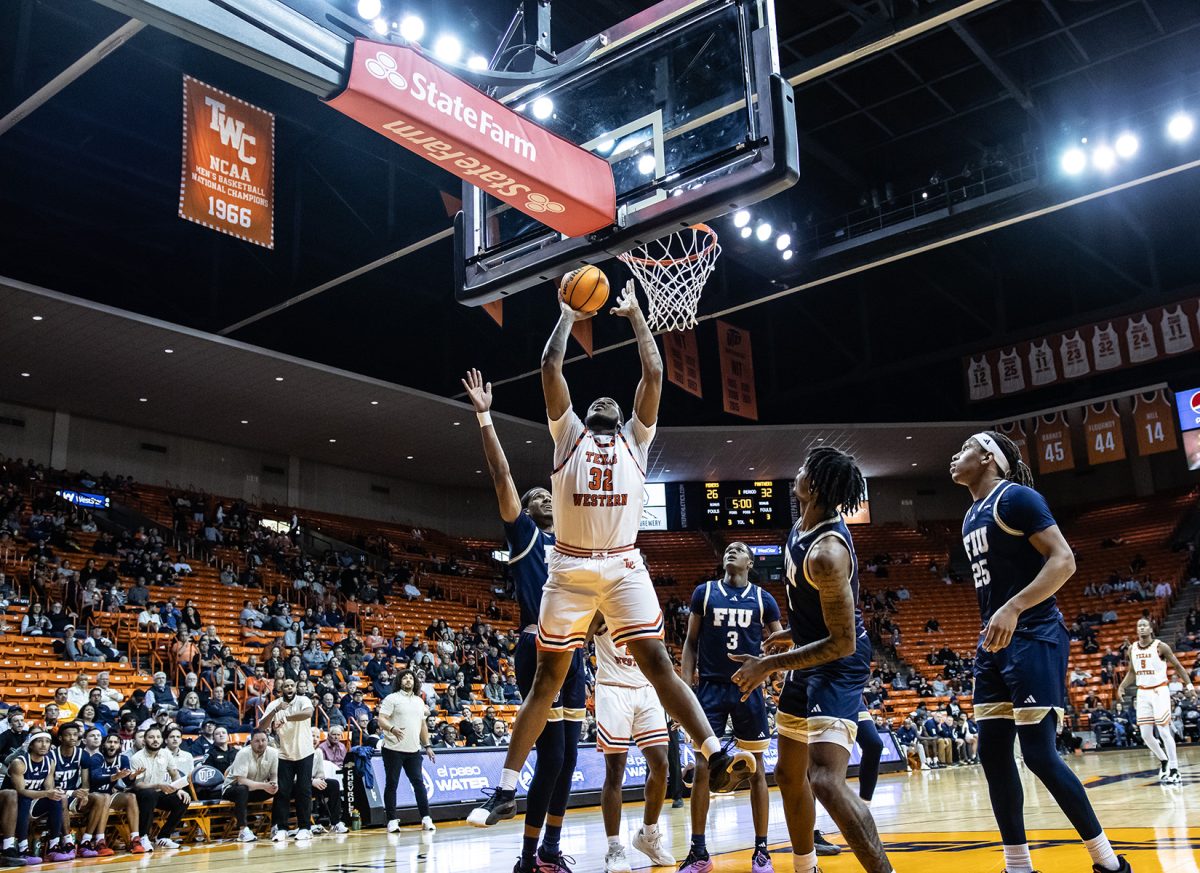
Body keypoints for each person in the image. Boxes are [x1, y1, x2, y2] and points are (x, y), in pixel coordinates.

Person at [466, 290, 751, 836]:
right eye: (595, 402)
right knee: (545, 682)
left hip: (623, 566)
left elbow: (654, 371)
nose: (602, 403)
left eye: (610, 404)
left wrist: (639, 317)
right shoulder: (567, 433)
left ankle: (714, 756)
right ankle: (504, 788)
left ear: (621, 417)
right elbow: (550, 366)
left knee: (657, 664)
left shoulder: (637, 440)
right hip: (570, 570)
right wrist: (568, 316)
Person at [950, 431, 1130, 873]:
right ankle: (1018, 866)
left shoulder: (1017, 499)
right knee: (992, 753)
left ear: (988, 457)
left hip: (1033, 633)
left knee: (1038, 754)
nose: (955, 456)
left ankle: (1108, 863)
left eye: (964, 449)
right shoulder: (971, 513)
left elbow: (1064, 560)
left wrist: (1013, 606)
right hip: (994, 640)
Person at [730, 449, 893, 873]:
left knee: (823, 779)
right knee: (788, 773)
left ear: (815, 486)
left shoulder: (827, 552)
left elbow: (840, 642)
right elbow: (815, 614)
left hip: (839, 664)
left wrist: (769, 665)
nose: (796, 473)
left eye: (803, 470)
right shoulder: (801, 525)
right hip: (809, 657)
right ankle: (807, 867)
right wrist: (787, 636)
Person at [461, 367, 588, 872]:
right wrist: (486, 419)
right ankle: (528, 856)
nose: (538, 499)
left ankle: (550, 852)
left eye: (544, 496)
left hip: (575, 651)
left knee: (570, 761)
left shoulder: (576, 546)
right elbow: (502, 479)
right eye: (533, 499)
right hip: (537, 646)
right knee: (552, 758)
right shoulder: (528, 538)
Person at [680, 541, 783, 873]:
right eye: (728, 549)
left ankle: (762, 851)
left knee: (757, 770)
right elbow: (691, 642)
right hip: (709, 687)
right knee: (701, 768)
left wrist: (766, 669)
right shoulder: (705, 592)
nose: (731, 551)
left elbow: (780, 643)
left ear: (750, 562)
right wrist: (686, 688)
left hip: (747, 690)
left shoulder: (763, 599)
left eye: (739, 549)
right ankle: (699, 852)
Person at [590, 617, 675, 873]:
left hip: (646, 688)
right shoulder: (602, 605)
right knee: (615, 771)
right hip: (613, 688)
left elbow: (658, 655)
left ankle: (648, 835)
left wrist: (671, 700)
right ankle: (614, 848)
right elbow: (581, 638)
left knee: (661, 764)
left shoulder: (648, 606)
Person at [1118, 617, 1195, 783]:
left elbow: (1178, 666)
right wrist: (1122, 686)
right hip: (1143, 693)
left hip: (1160, 691)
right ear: (1137, 630)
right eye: (1139, 626)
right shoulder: (1132, 649)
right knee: (1145, 735)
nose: (1142, 628)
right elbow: (1132, 672)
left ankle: (1175, 768)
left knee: (1163, 731)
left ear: (1151, 629)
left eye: (1145, 625)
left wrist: (1189, 686)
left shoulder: (1161, 646)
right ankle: (1164, 760)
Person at [376, 669, 436, 832]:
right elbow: (381, 719)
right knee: (392, 784)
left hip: (414, 749)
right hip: (393, 749)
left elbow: (423, 725)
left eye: (411, 678)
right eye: (405, 678)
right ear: (399, 681)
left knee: (419, 784)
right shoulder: (392, 698)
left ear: (415, 682)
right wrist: (392, 728)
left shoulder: (419, 701)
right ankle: (392, 820)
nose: (408, 680)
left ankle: (426, 818)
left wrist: (428, 746)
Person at [259, 678, 315, 842]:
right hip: (283, 753)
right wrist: (276, 710)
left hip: (304, 752)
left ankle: (305, 828)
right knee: (282, 792)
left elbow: (308, 713)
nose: (289, 688)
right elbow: (261, 726)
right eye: (286, 686)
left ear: (295, 688)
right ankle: (281, 828)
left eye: (292, 685)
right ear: (281, 689)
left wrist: (287, 717)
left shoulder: (303, 700)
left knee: (303, 791)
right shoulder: (275, 704)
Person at [8, 732, 73, 863]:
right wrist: (46, 793)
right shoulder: (19, 762)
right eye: (39, 741)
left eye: (47, 741)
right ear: (31, 745)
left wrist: (56, 792)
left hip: (33, 803)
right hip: (12, 805)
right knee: (25, 799)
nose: (44, 745)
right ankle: (22, 849)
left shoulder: (50, 762)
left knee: (56, 799)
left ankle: (53, 846)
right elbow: (20, 791)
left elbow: (49, 789)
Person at [129, 725, 190, 851]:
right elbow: (138, 784)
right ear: (144, 740)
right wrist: (158, 785)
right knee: (150, 794)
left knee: (183, 799)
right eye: (151, 737)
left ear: (162, 740)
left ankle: (163, 836)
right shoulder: (137, 758)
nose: (155, 740)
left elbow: (174, 774)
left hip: (159, 792)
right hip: (141, 794)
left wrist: (180, 790)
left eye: (158, 737)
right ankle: (143, 836)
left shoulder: (166, 754)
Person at [85, 732, 139, 857]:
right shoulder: (96, 758)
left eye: (115, 742)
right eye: (109, 742)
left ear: (120, 746)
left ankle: (135, 840)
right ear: (104, 744)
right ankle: (99, 841)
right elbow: (95, 778)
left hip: (108, 795)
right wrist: (114, 776)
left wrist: (132, 777)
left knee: (131, 797)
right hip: (92, 796)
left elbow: (127, 782)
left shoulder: (123, 759)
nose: (112, 745)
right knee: (105, 797)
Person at [224, 728, 278, 843]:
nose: (261, 743)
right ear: (251, 742)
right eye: (257, 741)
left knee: (281, 788)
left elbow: (274, 775)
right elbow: (241, 781)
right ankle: (243, 830)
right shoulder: (243, 753)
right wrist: (264, 786)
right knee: (242, 789)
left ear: (267, 741)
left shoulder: (273, 753)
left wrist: (274, 784)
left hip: (255, 789)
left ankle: (276, 826)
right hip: (232, 789)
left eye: (263, 740)